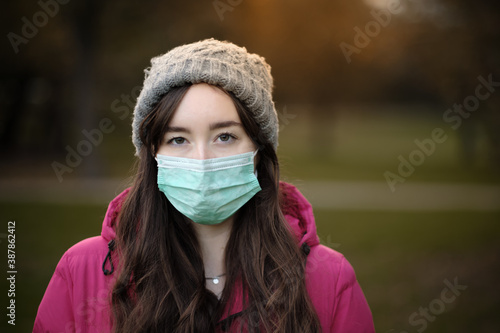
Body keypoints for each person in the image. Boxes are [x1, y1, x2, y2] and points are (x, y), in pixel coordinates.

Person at [33, 38, 375, 333]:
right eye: (178, 139)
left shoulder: (328, 279)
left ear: (258, 150)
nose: (202, 160)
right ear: (153, 153)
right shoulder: (82, 271)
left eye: (225, 136)